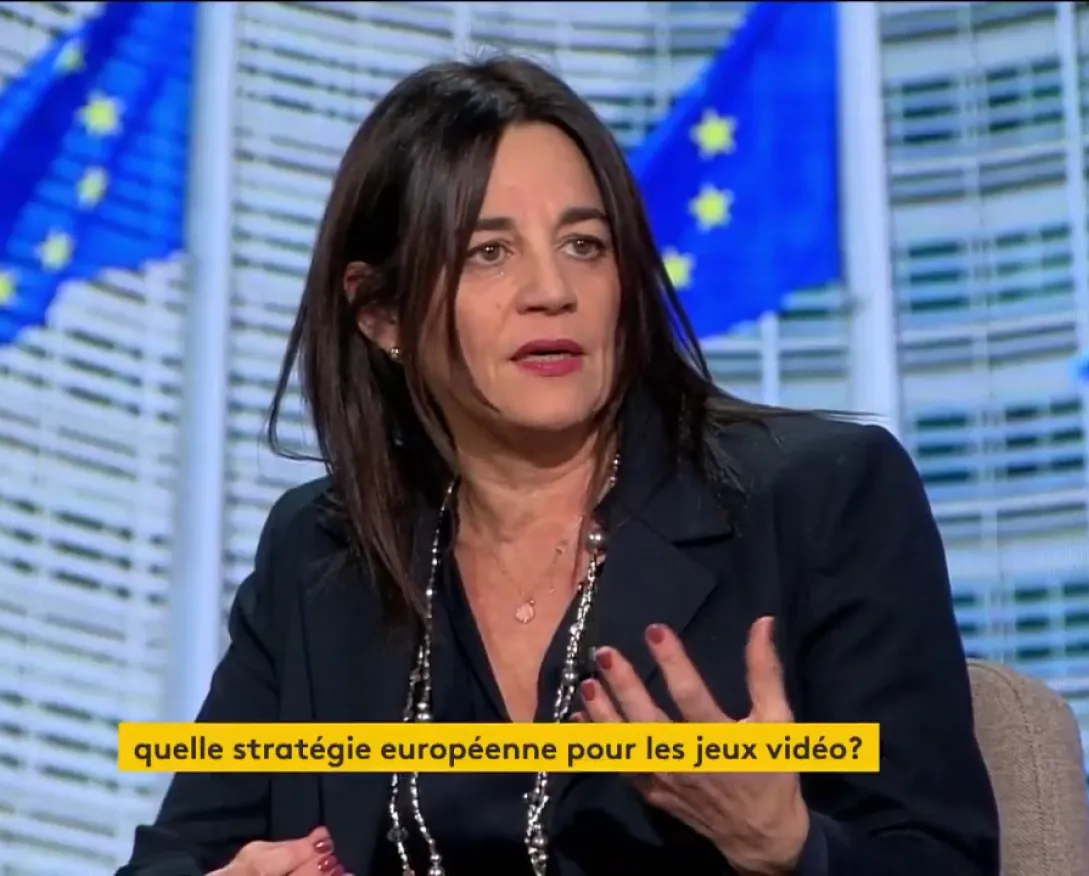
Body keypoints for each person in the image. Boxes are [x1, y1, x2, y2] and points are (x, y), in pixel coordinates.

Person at [118, 56, 1000, 876]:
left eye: (585, 245)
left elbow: (941, 859)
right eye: (488, 253)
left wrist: (790, 846)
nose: (553, 291)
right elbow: (176, 857)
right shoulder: (321, 553)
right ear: (382, 314)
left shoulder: (821, 498)